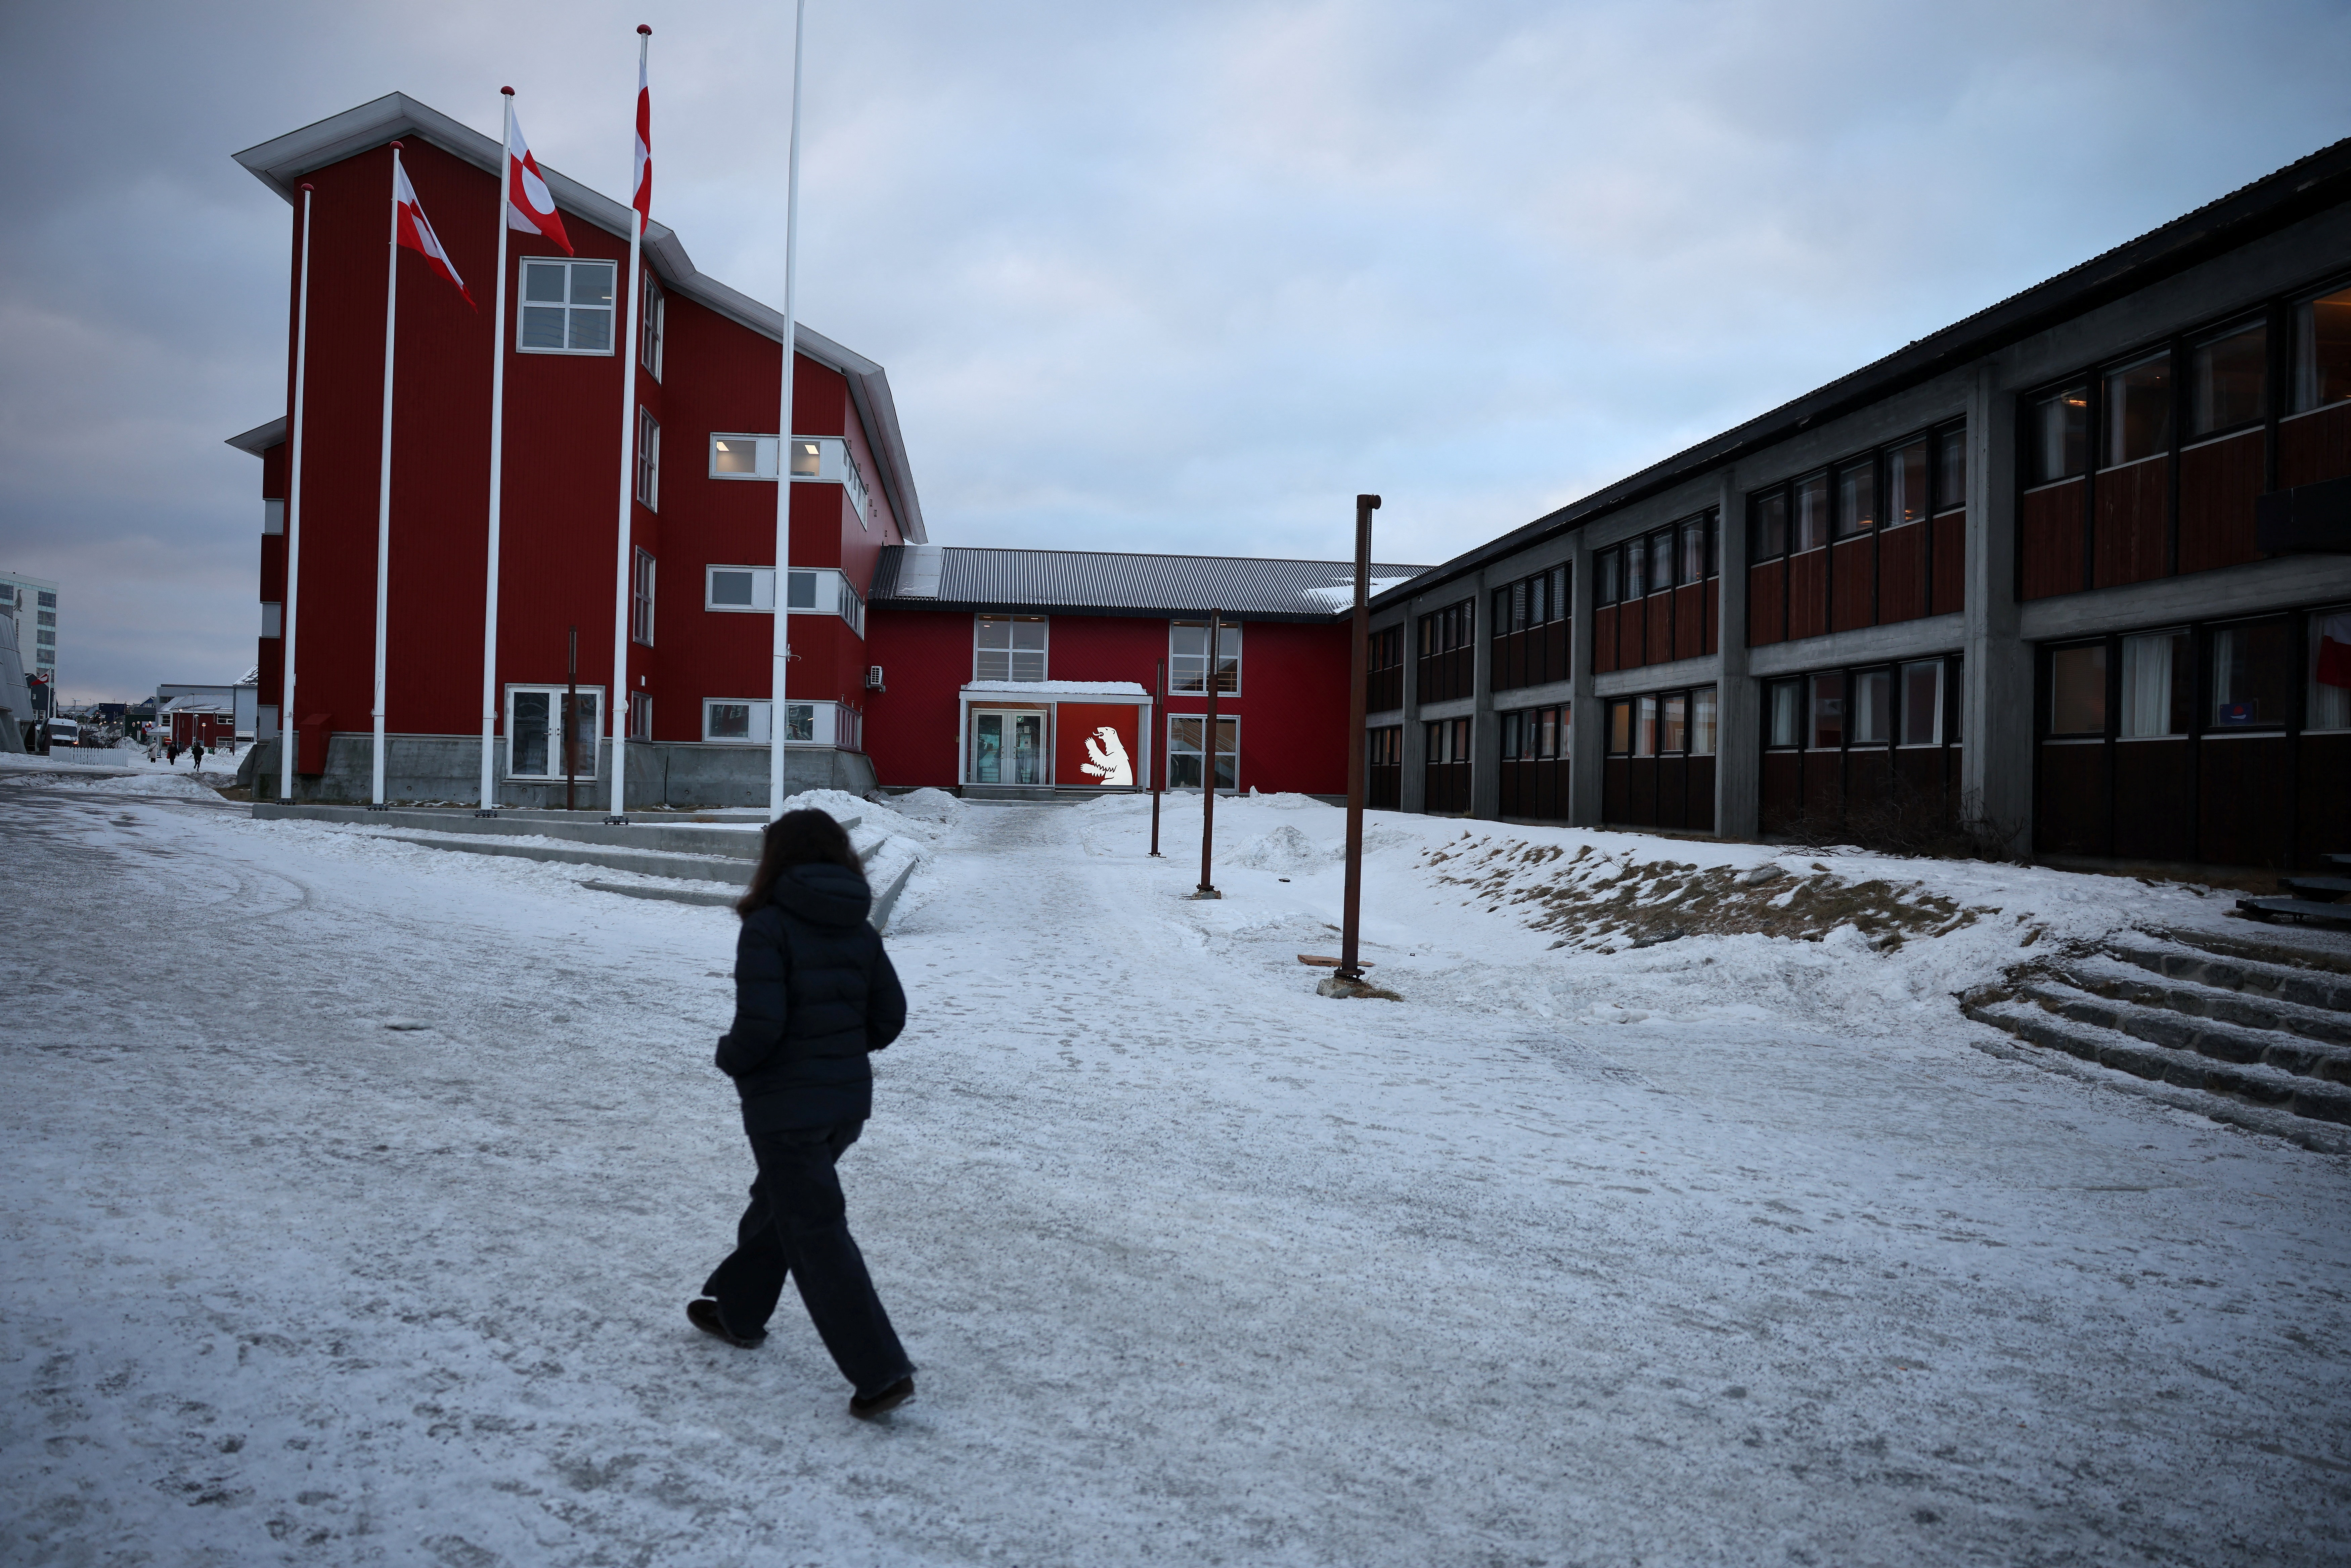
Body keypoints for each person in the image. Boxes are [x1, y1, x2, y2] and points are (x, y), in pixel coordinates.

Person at [690, 808, 916, 1420]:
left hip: (785, 1109)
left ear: (777, 857)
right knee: (781, 1205)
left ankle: (882, 1373)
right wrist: (839, 1051)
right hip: (844, 1106)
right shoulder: (860, 928)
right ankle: (739, 1310)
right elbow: (889, 1018)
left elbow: (758, 1029)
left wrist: (732, 1058)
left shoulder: (768, 926)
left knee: (816, 1231)